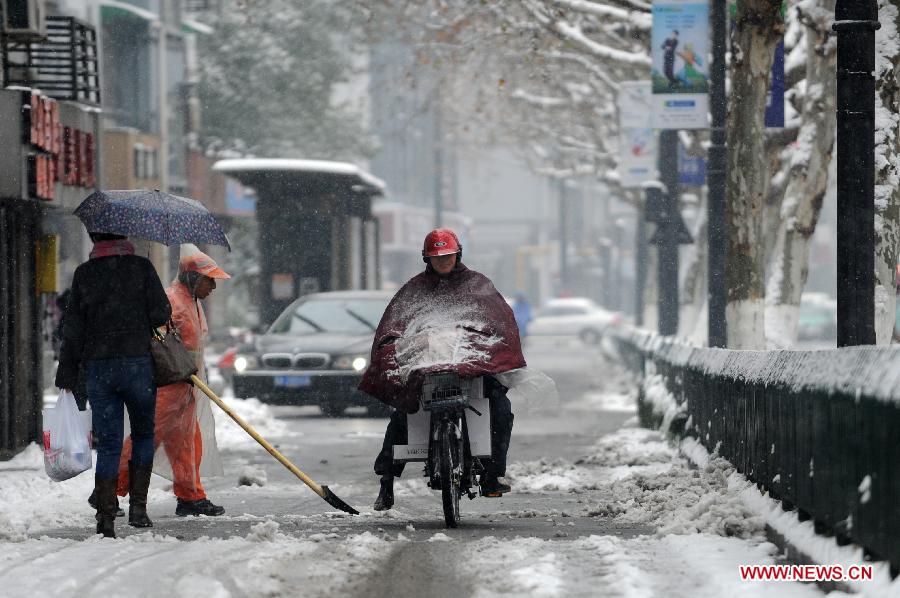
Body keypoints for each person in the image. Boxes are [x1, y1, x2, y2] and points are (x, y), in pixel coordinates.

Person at [359, 229, 526, 511]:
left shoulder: (478, 284)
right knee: (402, 414)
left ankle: (492, 475)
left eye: (447, 256)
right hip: (426, 365)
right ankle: (386, 482)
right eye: (437, 258)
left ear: (457, 254)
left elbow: (499, 323)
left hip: (472, 365)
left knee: (500, 408)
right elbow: (395, 325)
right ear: (427, 258)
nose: (442, 262)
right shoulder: (414, 289)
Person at [55, 232, 171, 538]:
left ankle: (105, 517)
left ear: (94, 238)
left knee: (108, 443)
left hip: (99, 368)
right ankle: (138, 509)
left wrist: (67, 373)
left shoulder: (84, 273)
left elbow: (73, 329)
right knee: (144, 434)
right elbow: (162, 313)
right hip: (137, 365)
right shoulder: (141, 267)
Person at [116, 250, 230, 517]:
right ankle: (108, 490)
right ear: (193, 278)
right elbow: (155, 340)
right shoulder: (171, 301)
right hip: (169, 384)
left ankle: (190, 496)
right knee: (146, 438)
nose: (213, 286)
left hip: (188, 385)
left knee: (186, 442)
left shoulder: (191, 300)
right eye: (208, 280)